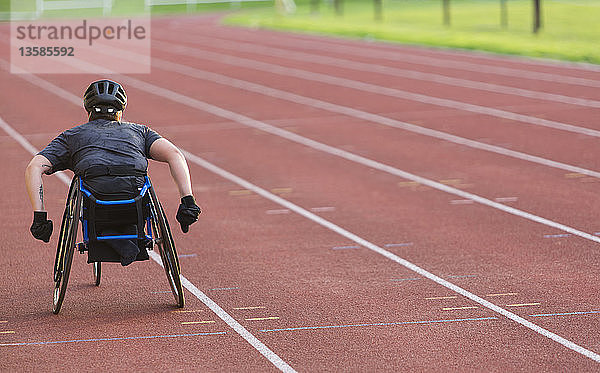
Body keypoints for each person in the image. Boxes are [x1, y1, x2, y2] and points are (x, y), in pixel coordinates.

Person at [25, 79, 201, 265]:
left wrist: (40, 217)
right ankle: (124, 238)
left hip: (96, 208)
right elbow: (174, 154)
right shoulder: (140, 132)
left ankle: (112, 236)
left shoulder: (71, 137)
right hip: (134, 204)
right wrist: (187, 201)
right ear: (121, 111)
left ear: (88, 110)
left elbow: (34, 168)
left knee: (90, 187)